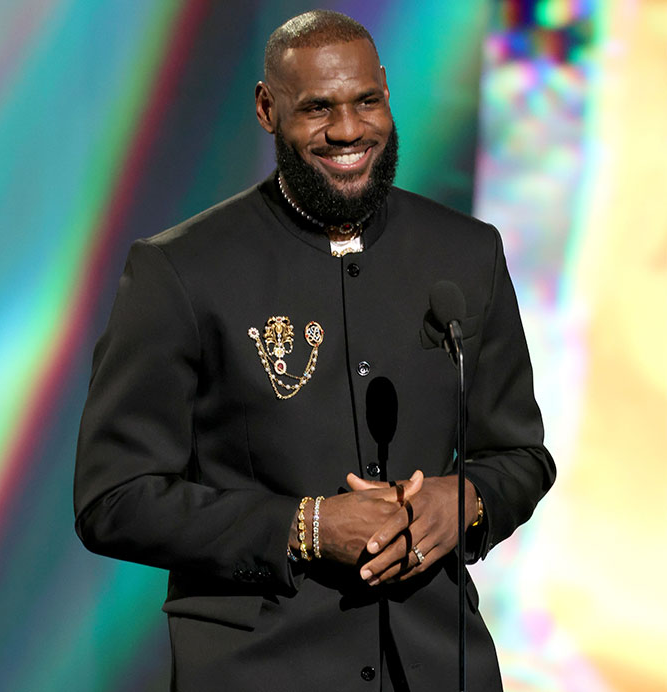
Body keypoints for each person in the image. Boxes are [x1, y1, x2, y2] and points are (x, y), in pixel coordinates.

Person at [74, 10, 555, 692]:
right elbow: (114, 500)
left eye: (366, 101)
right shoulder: (182, 271)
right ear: (268, 110)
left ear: (387, 92)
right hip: (261, 669)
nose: (349, 129)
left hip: (437, 665)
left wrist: (465, 500)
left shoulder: (467, 253)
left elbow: (521, 457)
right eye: (317, 108)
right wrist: (305, 525)